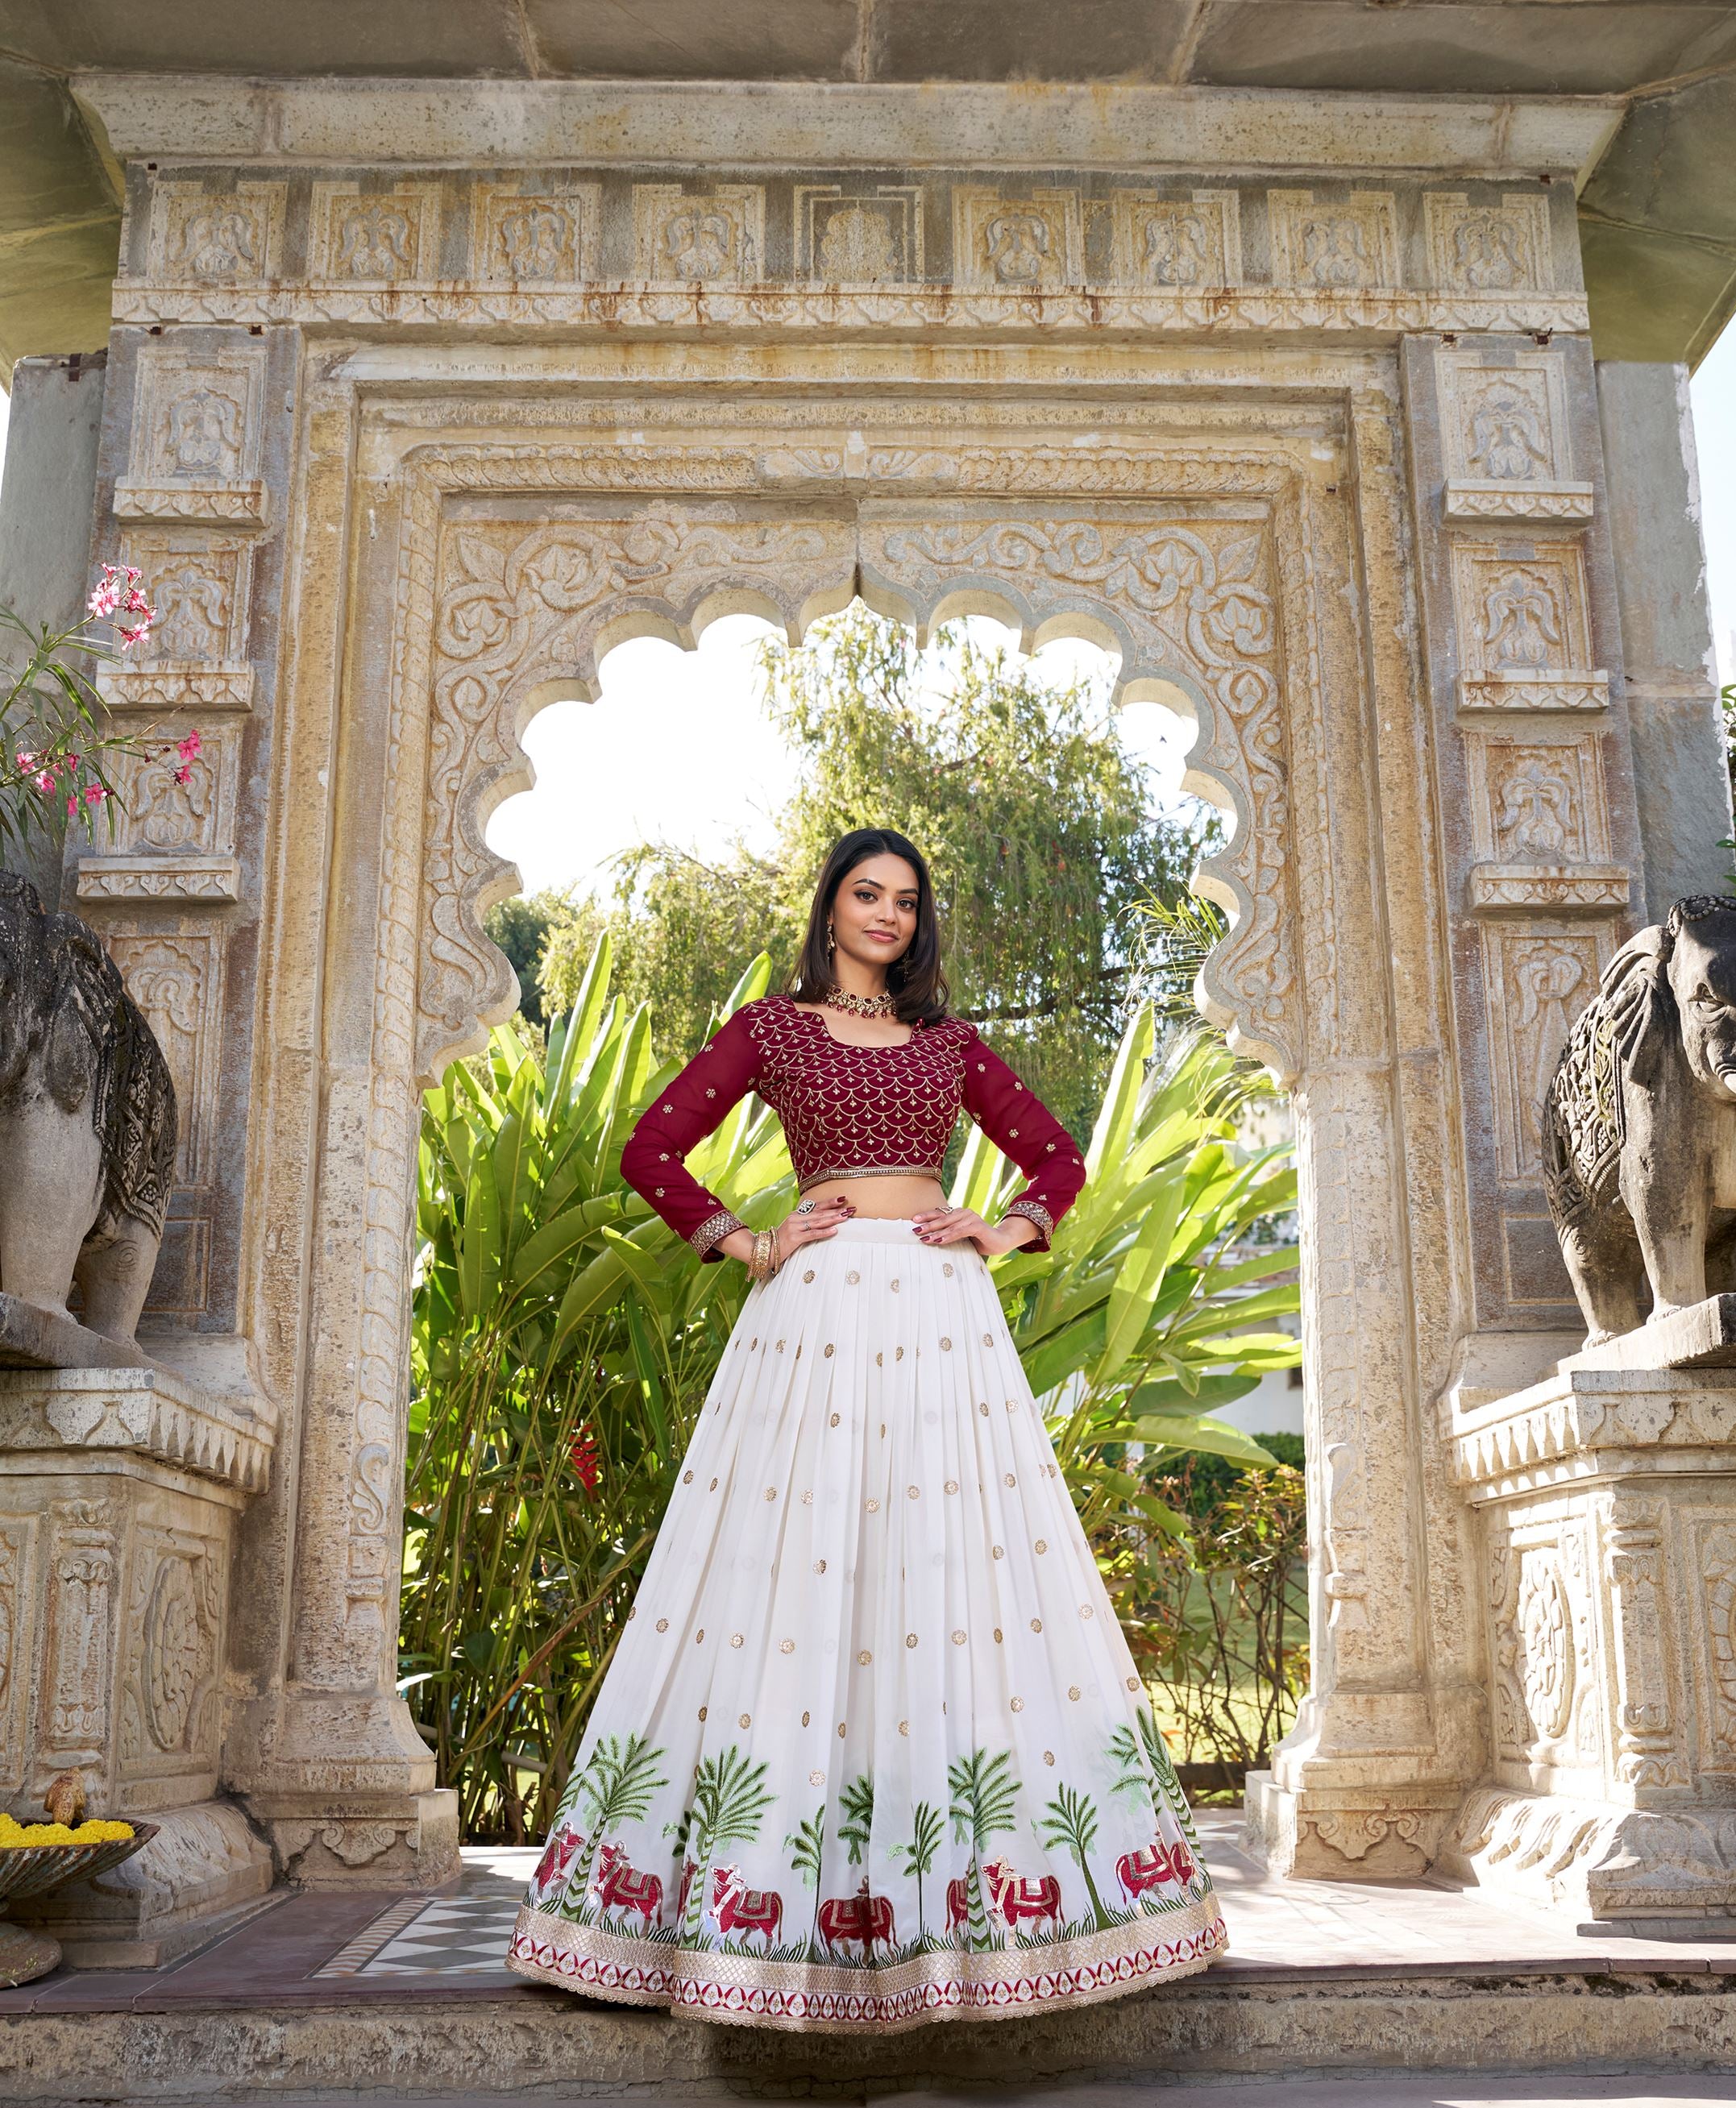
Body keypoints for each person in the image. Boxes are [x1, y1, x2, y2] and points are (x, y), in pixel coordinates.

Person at [508, 826, 1224, 2027]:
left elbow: (1053, 1157)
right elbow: (652, 1147)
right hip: (818, 1312)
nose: (886, 916)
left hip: (941, 1317)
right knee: (795, 1581)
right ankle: (743, 1913)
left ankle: (989, 1912)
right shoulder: (771, 1032)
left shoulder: (947, 1044)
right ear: (829, 908)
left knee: (945, 1574)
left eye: (904, 900)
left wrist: (998, 1231)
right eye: (865, 894)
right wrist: (745, 1241)